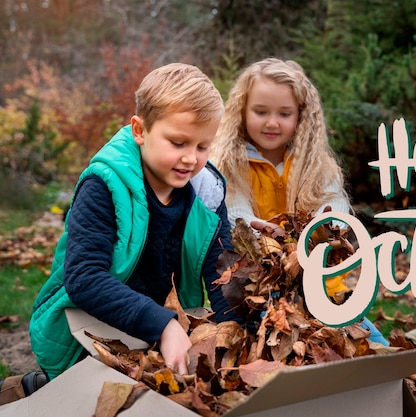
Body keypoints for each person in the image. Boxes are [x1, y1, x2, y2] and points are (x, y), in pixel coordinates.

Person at [0, 63, 242, 405]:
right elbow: (84, 279)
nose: (191, 158)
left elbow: (220, 273)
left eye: (203, 147)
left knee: (169, 400)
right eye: (178, 142)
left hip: (160, 332)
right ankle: (29, 391)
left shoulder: (207, 193)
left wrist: (235, 338)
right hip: (91, 327)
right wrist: (164, 324)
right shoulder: (104, 185)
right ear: (140, 131)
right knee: (93, 403)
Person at [208, 57, 389, 345]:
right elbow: (240, 220)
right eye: (260, 111)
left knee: (378, 348)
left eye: (284, 113)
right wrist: (276, 244)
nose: (272, 122)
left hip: (325, 291)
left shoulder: (317, 165)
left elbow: (334, 214)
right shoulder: (230, 165)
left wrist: (317, 237)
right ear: (242, 112)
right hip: (260, 294)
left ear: (300, 116)